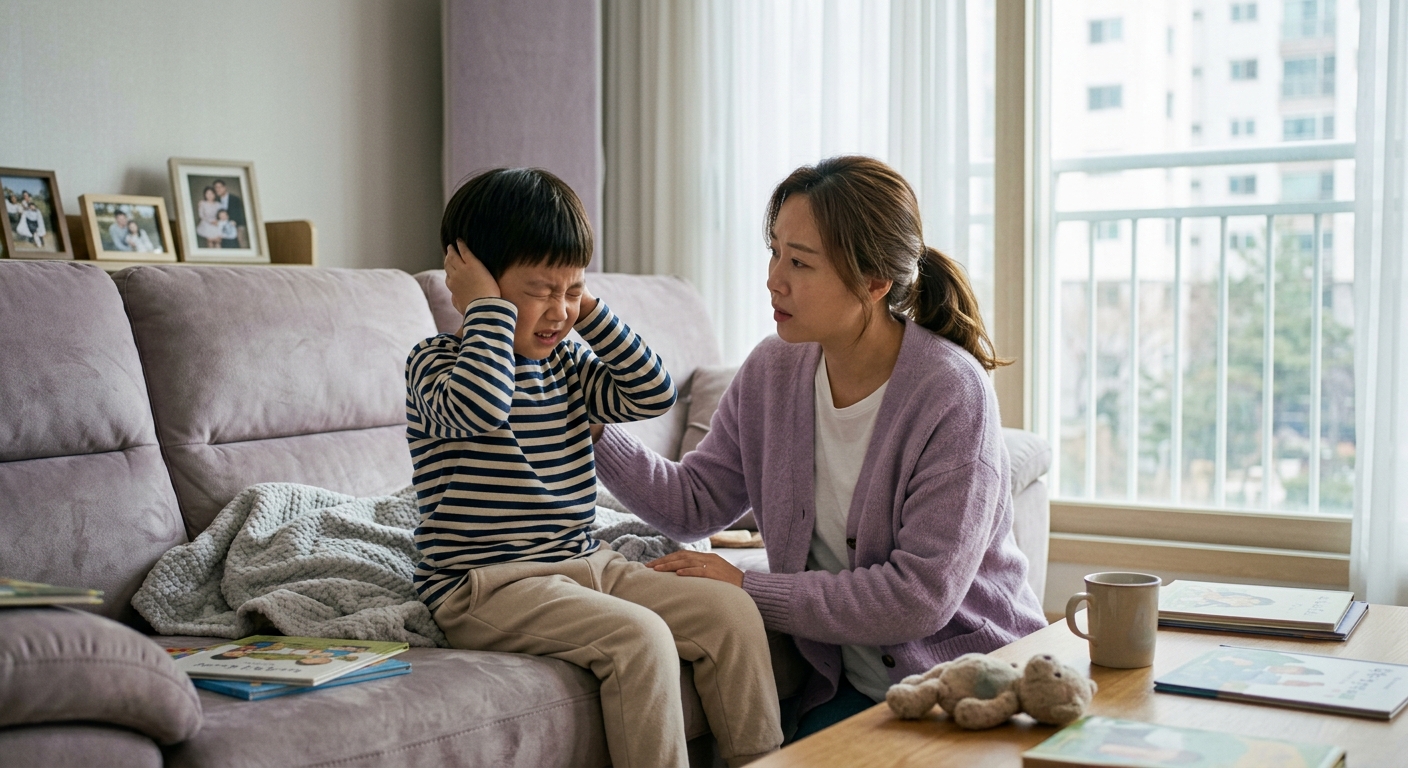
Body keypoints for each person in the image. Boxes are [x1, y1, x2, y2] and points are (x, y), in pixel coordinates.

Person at [592, 156, 1049, 740]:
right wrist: (596, 430)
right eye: (774, 252)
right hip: (853, 690)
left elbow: (918, 598)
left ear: (874, 283)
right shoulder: (773, 369)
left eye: (800, 262)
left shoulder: (951, 392)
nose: (774, 279)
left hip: (974, 684)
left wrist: (746, 586)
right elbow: (694, 502)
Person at [407, 167, 783, 768]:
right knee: (640, 638)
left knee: (730, 612)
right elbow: (481, 406)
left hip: (586, 562)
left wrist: (589, 312)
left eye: (572, 291)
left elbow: (653, 392)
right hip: (485, 585)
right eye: (541, 291)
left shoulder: (567, 365)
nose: (559, 311)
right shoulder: (434, 364)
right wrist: (486, 310)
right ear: (475, 282)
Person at [212, 179, 247, 248]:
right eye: (215, 188)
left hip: (236, 224)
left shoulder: (235, 199)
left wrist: (234, 222)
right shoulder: (216, 200)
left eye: (219, 187)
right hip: (222, 225)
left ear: (224, 187)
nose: (217, 189)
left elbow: (240, 214)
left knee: (240, 239)